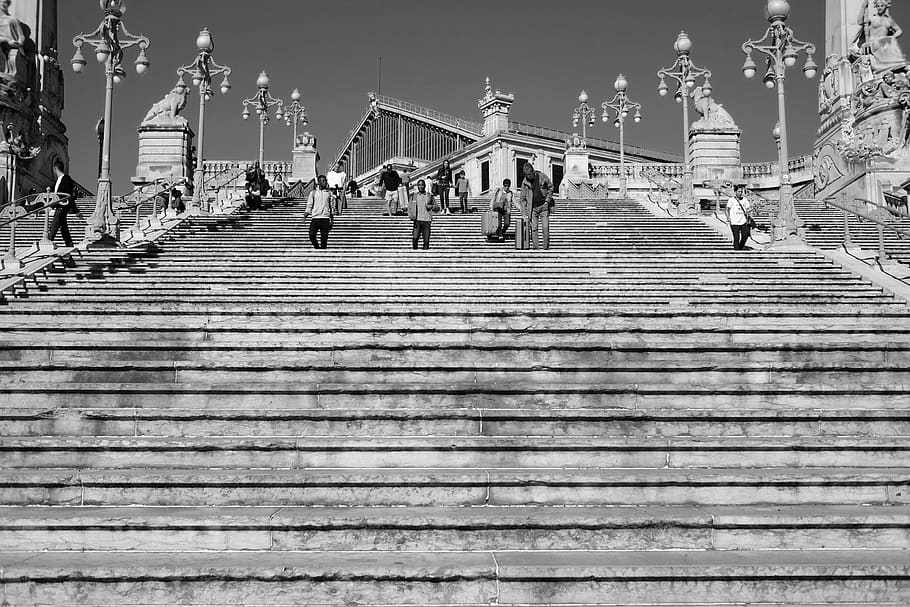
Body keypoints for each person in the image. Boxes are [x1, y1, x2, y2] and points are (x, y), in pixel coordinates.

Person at [518, 162, 554, 250]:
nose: (528, 176)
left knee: (545, 228)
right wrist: (524, 213)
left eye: (529, 174)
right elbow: (522, 199)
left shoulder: (542, 177)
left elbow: (551, 187)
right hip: (532, 208)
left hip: (543, 206)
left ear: (533, 172)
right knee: (534, 228)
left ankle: (546, 248)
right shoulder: (524, 182)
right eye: (526, 175)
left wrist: (547, 201)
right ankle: (536, 248)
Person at [48, 158, 75, 248]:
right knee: (63, 227)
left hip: (63, 206)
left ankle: (49, 240)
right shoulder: (57, 181)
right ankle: (69, 244)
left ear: (55, 169)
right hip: (59, 206)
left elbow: (70, 195)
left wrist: (74, 209)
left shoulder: (66, 179)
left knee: (55, 224)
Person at [408, 179, 440, 250]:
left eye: (422, 185)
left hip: (427, 220)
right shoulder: (414, 196)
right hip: (417, 220)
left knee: (426, 241)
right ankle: (414, 253)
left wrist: (431, 206)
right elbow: (409, 207)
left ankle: (426, 254)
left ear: (425, 186)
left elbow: (437, 208)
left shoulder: (429, 196)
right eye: (419, 185)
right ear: (417, 186)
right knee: (415, 237)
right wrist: (411, 215)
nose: (421, 186)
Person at [305, 174, 334, 249]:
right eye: (323, 181)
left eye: (325, 181)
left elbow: (332, 206)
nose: (325, 182)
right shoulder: (313, 193)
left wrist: (332, 219)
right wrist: (306, 213)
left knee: (324, 238)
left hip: (325, 218)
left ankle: (323, 254)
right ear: (319, 182)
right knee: (311, 235)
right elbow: (309, 204)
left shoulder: (329, 193)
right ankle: (317, 247)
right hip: (315, 218)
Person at [0, 0, 25, 80]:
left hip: (12, 47)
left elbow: (21, 37)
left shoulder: (13, 20)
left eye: (7, 3)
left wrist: (19, 43)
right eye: (2, 2)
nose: (4, 4)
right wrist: (7, 40)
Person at [725, 183, 753, 251]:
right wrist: (728, 217)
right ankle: (737, 251)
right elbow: (727, 209)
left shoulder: (745, 200)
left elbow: (747, 209)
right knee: (736, 238)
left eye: (741, 192)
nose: (740, 193)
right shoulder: (731, 200)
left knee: (745, 235)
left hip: (743, 221)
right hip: (734, 222)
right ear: (735, 192)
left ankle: (740, 248)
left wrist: (751, 209)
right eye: (739, 191)